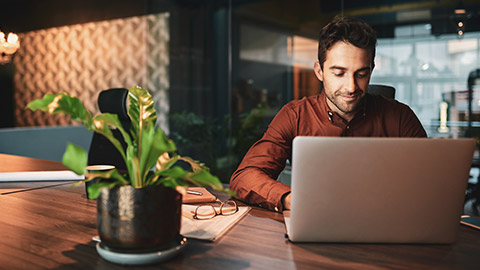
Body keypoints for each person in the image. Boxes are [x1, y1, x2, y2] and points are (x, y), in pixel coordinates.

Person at [229, 16, 427, 212]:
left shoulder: (400, 117)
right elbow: (245, 177)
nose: (351, 87)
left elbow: (432, 181)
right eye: (339, 73)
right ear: (319, 71)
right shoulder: (295, 115)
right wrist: (292, 199)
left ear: (371, 70)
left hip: (386, 223)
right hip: (315, 222)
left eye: (361, 74)